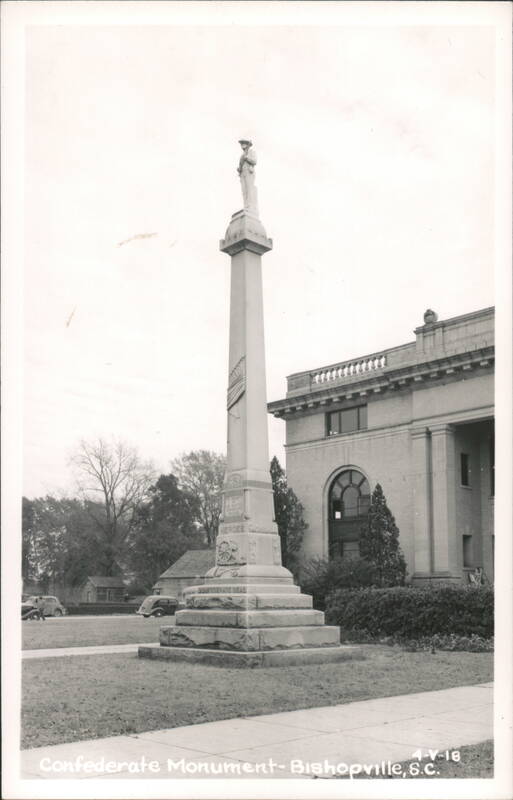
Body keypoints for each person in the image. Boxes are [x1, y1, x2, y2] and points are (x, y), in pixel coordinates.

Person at [237, 138, 258, 215]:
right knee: (244, 190)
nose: (242, 145)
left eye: (243, 143)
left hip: (249, 172)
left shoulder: (251, 152)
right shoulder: (241, 156)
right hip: (243, 173)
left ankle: (250, 206)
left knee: (249, 188)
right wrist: (239, 169)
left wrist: (247, 158)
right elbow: (240, 165)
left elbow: (255, 161)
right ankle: (246, 205)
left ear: (247, 144)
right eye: (241, 144)